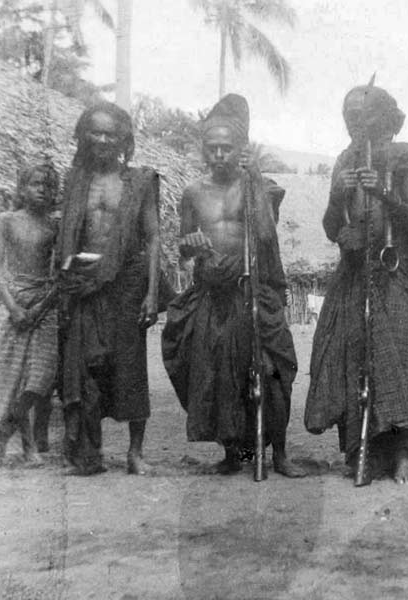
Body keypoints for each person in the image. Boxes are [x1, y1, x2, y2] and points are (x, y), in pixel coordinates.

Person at [161, 94, 305, 478]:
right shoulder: (192, 193)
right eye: (213, 149)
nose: (220, 155)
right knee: (215, 374)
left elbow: (264, 234)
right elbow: (183, 249)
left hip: (253, 289)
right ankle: (233, 453)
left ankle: (280, 455)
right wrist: (192, 248)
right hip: (214, 294)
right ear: (203, 151)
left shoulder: (262, 185)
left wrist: (254, 180)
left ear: (241, 149)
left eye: (227, 148)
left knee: (274, 371)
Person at [305, 82, 408, 485]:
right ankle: (358, 449)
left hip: (393, 270)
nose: (353, 120)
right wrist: (337, 197)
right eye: (347, 113)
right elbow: (332, 227)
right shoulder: (344, 161)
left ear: (383, 115)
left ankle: (402, 453)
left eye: (361, 112)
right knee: (353, 359)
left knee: (398, 359)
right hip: (353, 274)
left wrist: (382, 193)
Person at [57, 102, 160, 476]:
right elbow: (66, 233)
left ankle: (135, 453)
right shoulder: (75, 181)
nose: (102, 139)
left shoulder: (140, 182)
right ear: (83, 135)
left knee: (130, 367)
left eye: (110, 133)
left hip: (126, 283)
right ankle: (90, 455)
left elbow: (153, 237)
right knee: (83, 370)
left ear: (123, 139)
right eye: (95, 132)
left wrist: (151, 293)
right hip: (82, 283)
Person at [0, 163, 60, 464]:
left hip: (45, 303)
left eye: (48, 185)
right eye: (35, 183)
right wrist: (13, 307)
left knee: (39, 380)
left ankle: (4, 431)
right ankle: (25, 446)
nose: (42, 189)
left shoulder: (55, 225)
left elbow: (62, 270)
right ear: (22, 187)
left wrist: (44, 304)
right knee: (13, 377)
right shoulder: (7, 220)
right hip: (16, 301)